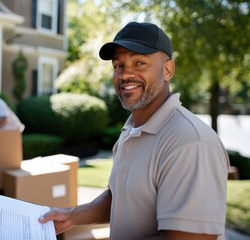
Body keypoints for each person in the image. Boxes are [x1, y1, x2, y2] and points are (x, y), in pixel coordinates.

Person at [39, 22, 230, 239]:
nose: (125, 74)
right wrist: (72, 216)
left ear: (168, 70)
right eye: (118, 66)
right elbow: (122, 196)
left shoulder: (190, 142)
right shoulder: (131, 129)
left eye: (140, 62)